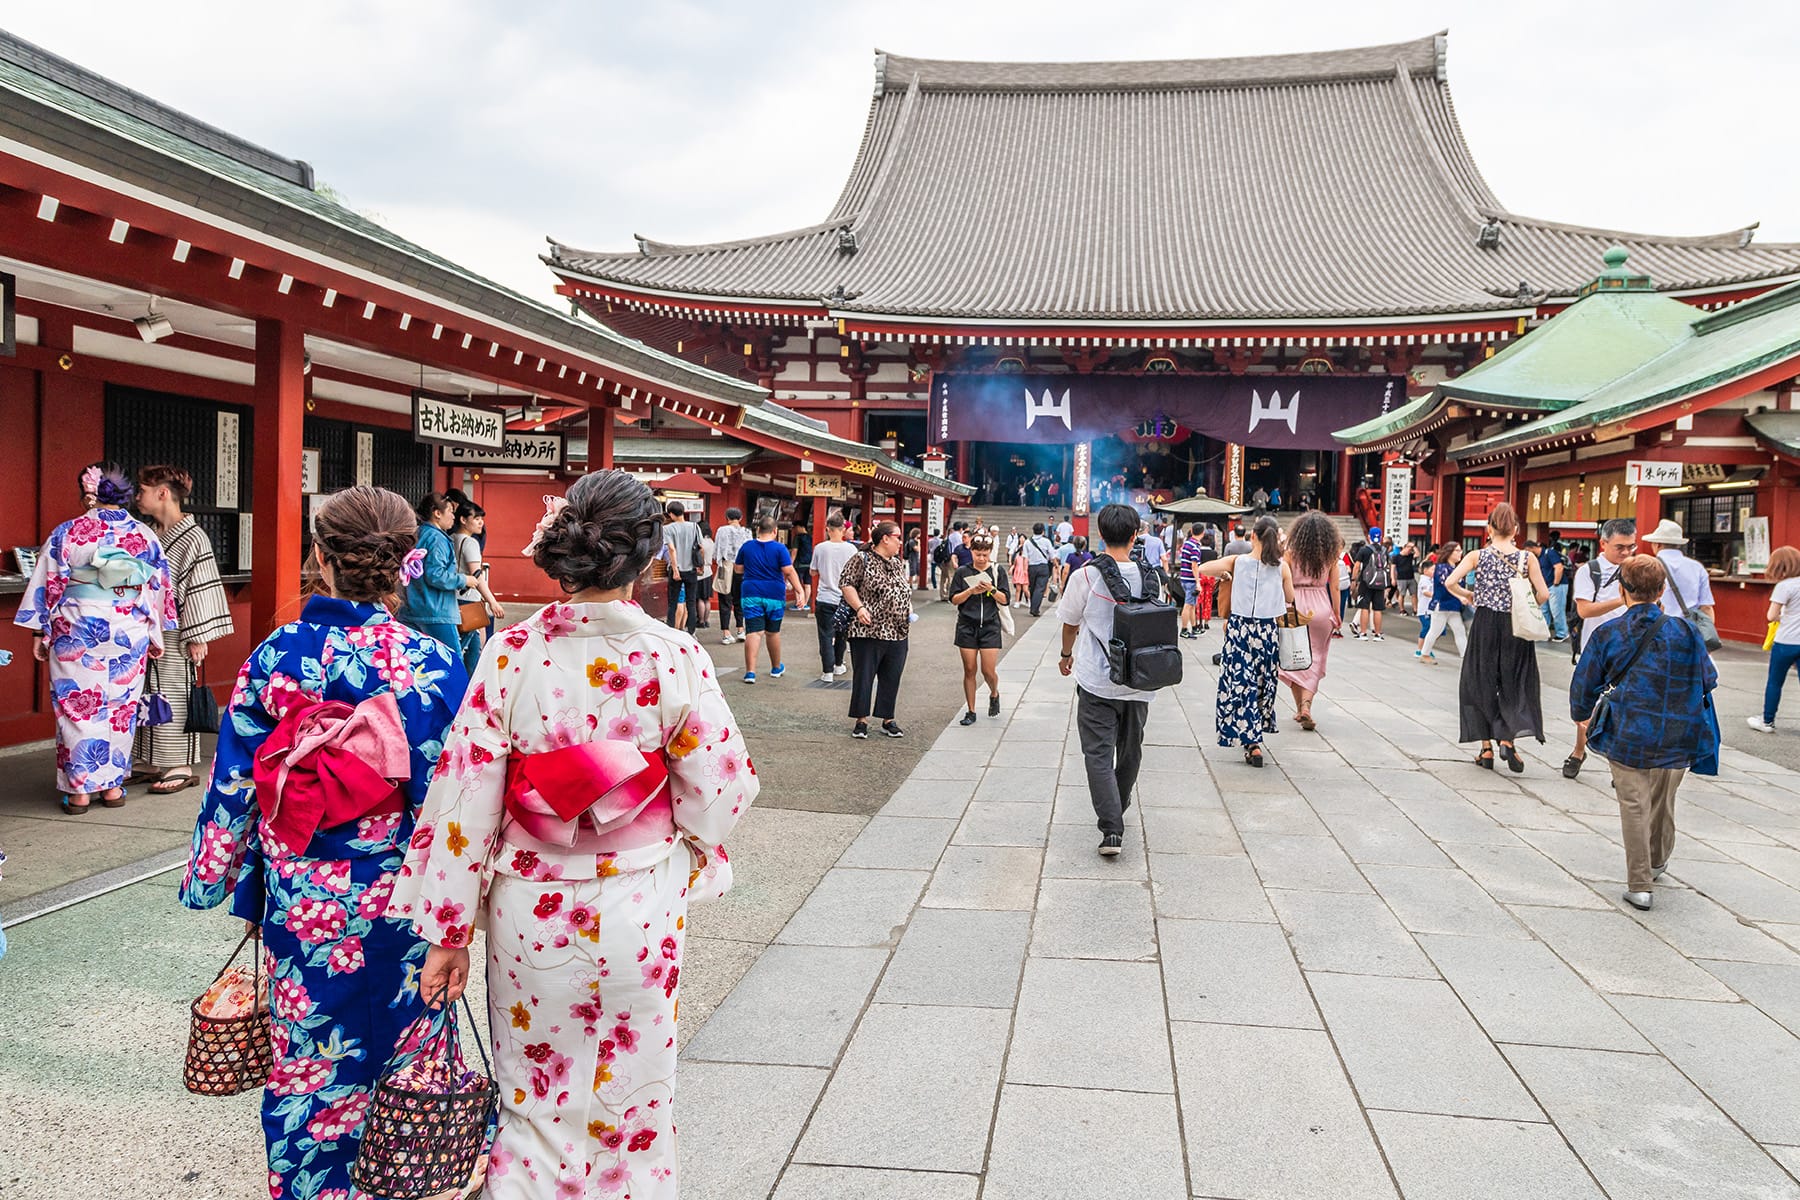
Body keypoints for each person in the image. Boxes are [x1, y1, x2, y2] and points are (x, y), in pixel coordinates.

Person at [396, 470, 757, 1199]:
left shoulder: (511, 654)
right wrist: (679, 835)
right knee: (637, 1103)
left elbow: (464, 803)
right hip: (639, 902)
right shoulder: (672, 655)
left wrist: (448, 932)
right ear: (647, 557)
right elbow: (724, 790)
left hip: (531, 907)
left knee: (533, 1100)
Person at [179, 486, 469, 1197]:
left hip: (304, 891)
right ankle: (401, 1180)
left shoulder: (280, 653)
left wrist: (215, 877)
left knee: (309, 1061)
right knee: (408, 1059)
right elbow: (454, 801)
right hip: (401, 897)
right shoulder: (431, 662)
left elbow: (237, 780)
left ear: (320, 557)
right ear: (408, 562)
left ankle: (313, 1186)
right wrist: (460, 911)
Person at [15, 462, 173, 813]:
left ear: (91, 495)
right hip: (128, 631)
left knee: (77, 708)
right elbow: (157, 587)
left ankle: (80, 792)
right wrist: (155, 633)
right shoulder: (144, 536)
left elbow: (49, 585)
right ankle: (113, 788)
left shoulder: (67, 532)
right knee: (120, 708)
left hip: (78, 630)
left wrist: (41, 631)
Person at [1570, 554, 1719, 910]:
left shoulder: (1610, 632)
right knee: (1663, 799)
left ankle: (1640, 884)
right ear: (1662, 591)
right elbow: (1707, 679)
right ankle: (1657, 859)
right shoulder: (1686, 630)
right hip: (1678, 732)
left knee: (1633, 804)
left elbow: (1584, 683)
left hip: (1628, 730)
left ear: (1622, 591)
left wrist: (1582, 715)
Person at [1058, 504, 1162, 856]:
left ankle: (1111, 828)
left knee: (1097, 753)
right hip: (1140, 679)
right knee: (1130, 750)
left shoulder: (1085, 576)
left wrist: (1065, 654)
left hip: (1096, 679)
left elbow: (1070, 623)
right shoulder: (1153, 577)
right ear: (1136, 535)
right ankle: (1117, 808)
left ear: (1100, 535)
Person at [129, 465, 234, 795]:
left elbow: (199, 586)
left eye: (142, 490)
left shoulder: (193, 536)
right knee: (145, 694)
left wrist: (197, 634)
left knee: (173, 694)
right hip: (146, 629)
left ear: (162, 492)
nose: (137, 496)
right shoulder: (149, 533)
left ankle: (179, 764)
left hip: (177, 630)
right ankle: (146, 760)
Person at [1441, 503, 1550, 773]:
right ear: (1515, 530)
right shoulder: (1528, 558)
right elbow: (1544, 594)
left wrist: (1468, 596)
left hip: (1485, 624)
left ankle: (1486, 748)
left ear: (1488, 529)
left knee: (1481, 681)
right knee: (1514, 682)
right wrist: (1526, 606)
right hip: (1516, 626)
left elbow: (1450, 582)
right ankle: (1508, 740)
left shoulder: (1477, 556)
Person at [1200, 515, 1298, 766]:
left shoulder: (1237, 562)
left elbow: (1203, 569)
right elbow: (1290, 597)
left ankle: (1250, 740)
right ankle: (1253, 740)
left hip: (1240, 631)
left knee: (1241, 683)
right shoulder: (1282, 566)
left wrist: (1224, 574)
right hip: (1266, 633)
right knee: (1261, 682)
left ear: (1252, 535)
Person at [1565, 519, 1637, 773]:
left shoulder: (1637, 569)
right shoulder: (1590, 571)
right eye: (1620, 547)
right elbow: (1584, 610)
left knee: (1626, 706)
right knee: (1587, 703)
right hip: (1595, 648)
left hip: (1631, 648)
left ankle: (1619, 765)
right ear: (1603, 543)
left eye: (1631, 546)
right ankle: (1579, 751)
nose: (1627, 552)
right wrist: (1622, 599)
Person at [838, 520, 913, 739]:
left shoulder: (897, 563)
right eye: (898, 536)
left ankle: (887, 718)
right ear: (885, 538)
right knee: (865, 675)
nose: (901, 541)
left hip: (898, 629)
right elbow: (846, 583)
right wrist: (859, 608)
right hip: (868, 629)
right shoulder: (862, 559)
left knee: (892, 675)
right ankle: (861, 720)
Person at [1280, 512, 1341, 731]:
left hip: (1295, 604)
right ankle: (1305, 706)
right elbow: (1334, 587)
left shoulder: (1290, 553)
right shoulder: (1331, 555)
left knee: (1294, 658)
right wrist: (1336, 612)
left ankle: (1301, 707)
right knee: (1315, 658)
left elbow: (1282, 581)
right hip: (1321, 606)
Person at [397, 491, 470, 655]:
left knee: (414, 661)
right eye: (450, 511)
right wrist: (465, 580)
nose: (453, 517)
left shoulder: (416, 534)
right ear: (437, 513)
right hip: (436, 611)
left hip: (409, 609)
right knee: (451, 661)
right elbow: (436, 575)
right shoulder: (437, 538)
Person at [735, 514, 803, 684]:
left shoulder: (747, 546)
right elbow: (788, 571)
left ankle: (750, 672)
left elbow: (738, 569)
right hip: (774, 594)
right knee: (772, 632)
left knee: (753, 632)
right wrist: (799, 591)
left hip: (751, 592)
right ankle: (775, 667)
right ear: (775, 531)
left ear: (758, 530)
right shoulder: (780, 549)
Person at [951, 535, 1010, 725]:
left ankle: (994, 692)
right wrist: (970, 591)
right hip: (967, 625)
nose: (982, 558)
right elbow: (954, 599)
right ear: (972, 552)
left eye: (985, 554)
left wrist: (991, 589)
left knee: (988, 670)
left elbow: (1005, 599)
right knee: (969, 669)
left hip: (990, 626)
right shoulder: (962, 572)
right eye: (978, 554)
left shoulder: (997, 570)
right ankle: (971, 710)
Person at [451, 495, 507, 673]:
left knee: (457, 645)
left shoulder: (449, 538)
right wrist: (492, 601)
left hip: (452, 598)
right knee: (474, 649)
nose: (480, 523)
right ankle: (469, 688)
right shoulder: (470, 543)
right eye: (476, 518)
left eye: (481, 518)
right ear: (463, 519)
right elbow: (477, 575)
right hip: (469, 601)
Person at [1749, 545, 1800, 733]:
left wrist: (1785, 617)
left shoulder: (1784, 586)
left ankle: (1767, 721)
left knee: (1775, 681)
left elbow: (1771, 615)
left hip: (1786, 641)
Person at [1640, 519, 1716, 629]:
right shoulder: (1697, 567)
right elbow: (1706, 607)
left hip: (1657, 628)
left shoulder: (1649, 566)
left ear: (1657, 544)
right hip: (1689, 629)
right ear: (1678, 545)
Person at [810, 513, 857, 683]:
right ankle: (838, 664)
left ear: (827, 529)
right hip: (845, 598)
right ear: (843, 529)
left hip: (825, 597)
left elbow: (813, 571)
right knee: (842, 633)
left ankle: (827, 671)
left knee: (825, 635)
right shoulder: (851, 549)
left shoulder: (820, 548)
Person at [1416, 543, 1470, 662]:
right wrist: (1461, 597)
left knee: (1459, 631)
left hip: (1453, 605)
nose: (1460, 553)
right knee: (1435, 630)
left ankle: (1466, 657)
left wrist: (1464, 596)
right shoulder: (1441, 568)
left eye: (1460, 550)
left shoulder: (1455, 569)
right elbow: (1447, 585)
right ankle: (1424, 654)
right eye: (1457, 550)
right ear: (1449, 552)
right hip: (1441, 604)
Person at [661, 499, 702, 633]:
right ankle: (691, 632)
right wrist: (700, 565)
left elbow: (671, 549)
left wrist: (675, 569)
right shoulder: (695, 527)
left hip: (676, 570)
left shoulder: (667, 529)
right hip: (691, 569)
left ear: (671, 514)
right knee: (691, 602)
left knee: (672, 603)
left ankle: (671, 631)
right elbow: (700, 548)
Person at [714, 507, 750, 645]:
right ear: (740, 518)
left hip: (726, 566)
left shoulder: (722, 530)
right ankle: (741, 630)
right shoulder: (747, 531)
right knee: (740, 600)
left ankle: (726, 633)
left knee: (725, 599)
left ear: (727, 518)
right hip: (743, 569)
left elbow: (717, 550)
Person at [1349, 526, 1390, 639]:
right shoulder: (1384, 551)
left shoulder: (1364, 550)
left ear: (1369, 537)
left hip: (1366, 583)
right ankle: (1377, 634)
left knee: (1364, 607)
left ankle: (1363, 633)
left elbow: (1356, 566)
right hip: (1380, 583)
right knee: (1377, 609)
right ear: (1380, 537)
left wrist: (1353, 580)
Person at [1176, 524, 1208, 640]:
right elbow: (1194, 565)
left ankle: (1194, 627)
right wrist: (1198, 582)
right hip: (1191, 579)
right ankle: (1184, 629)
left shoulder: (1187, 543)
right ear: (1202, 533)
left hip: (1184, 577)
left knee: (1192, 604)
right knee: (1188, 604)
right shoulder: (1195, 546)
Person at [1021, 521, 1056, 616]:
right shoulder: (1046, 541)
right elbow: (1052, 555)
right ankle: (1034, 609)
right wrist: (1055, 563)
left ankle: (1033, 607)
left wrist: (1024, 570)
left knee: (1032, 588)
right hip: (1043, 567)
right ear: (1043, 532)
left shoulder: (1028, 542)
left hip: (1031, 567)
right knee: (1040, 588)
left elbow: (1025, 557)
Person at [694, 517, 715, 630]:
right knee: (706, 598)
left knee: (699, 598)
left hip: (700, 571)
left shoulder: (700, 542)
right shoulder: (711, 542)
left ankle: (701, 621)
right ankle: (707, 620)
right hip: (709, 571)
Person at [790, 519, 814, 611]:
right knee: (808, 585)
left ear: (800, 527)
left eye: (795, 527)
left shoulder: (798, 537)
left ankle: (798, 604)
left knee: (798, 584)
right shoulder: (811, 537)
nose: (795, 530)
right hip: (809, 564)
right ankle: (805, 604)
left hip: (799, 565)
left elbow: (794, 552)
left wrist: (790, 564)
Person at [1392, 542, 1419, 615]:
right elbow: (1393, 568)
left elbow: (1417, 554)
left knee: (1414, 594)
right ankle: (1402, 609)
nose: (1410, 551)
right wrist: (1393, 578)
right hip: (1401, 578)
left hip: (1411, 577)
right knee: (1402, 594)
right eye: (1409, 549)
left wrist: (1413, 546)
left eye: (1411, 550)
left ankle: (1415, 609)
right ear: (1405, 548)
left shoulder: (1410, 556)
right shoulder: (1396, 557)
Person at [1010, 539, 1030, 608]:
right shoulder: (1017, 557)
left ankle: (1029, 600)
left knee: (1025, 590)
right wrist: (1011, 569)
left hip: (1024, 574)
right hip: (1018, 573)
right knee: (1018, 589)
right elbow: (1014, 565)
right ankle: (1017, 602)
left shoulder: (1028, 558)